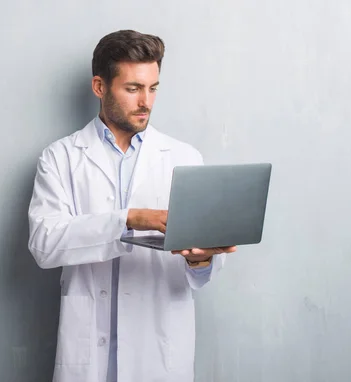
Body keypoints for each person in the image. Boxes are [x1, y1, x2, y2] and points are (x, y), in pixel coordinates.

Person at [27, 29, 237, 382]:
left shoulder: (183, 157)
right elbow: (45, 245)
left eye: (153, 88)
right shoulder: (60, 157)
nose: (147, 102)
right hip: (90, 356)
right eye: (133, 88)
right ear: (100, 87)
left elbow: (202, 271)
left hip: (158, 353)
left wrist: (201, 259)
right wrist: (130, 219)